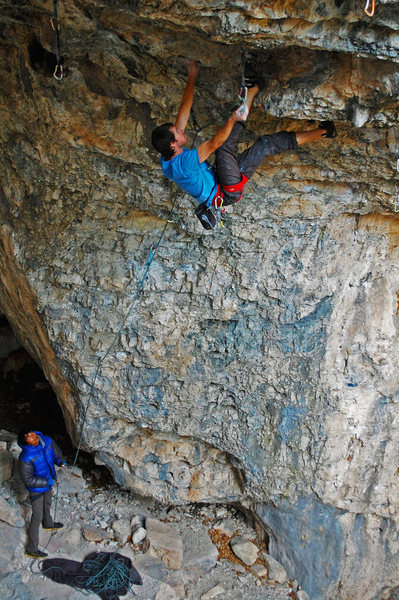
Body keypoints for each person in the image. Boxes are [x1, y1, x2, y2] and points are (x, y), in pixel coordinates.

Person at [151, 59, 337, 229]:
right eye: (178, 132)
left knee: (257, 145)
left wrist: (192, 76)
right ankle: (253, 93)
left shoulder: (167, 157)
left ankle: (322, 130)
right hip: (225, 192)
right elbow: (215, 142)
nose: (181, 130)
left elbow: (183, 112)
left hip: (219, 181)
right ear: (173, 144)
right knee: (238, 146)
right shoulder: (184, 164)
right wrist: (232, 120)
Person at [18, 429, 67, 559]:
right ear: (26, 442)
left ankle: (48, 524)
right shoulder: (25, 457)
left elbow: (55, 454)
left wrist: (60, 462)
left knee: (48, 503)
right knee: (37, 516)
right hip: (36, 489)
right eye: (27, 436)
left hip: (49, 481)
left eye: (30, 432)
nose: (31, 435)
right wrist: (47, 481)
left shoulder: (46, 441)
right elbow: (28, 479)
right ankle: (32, 548)